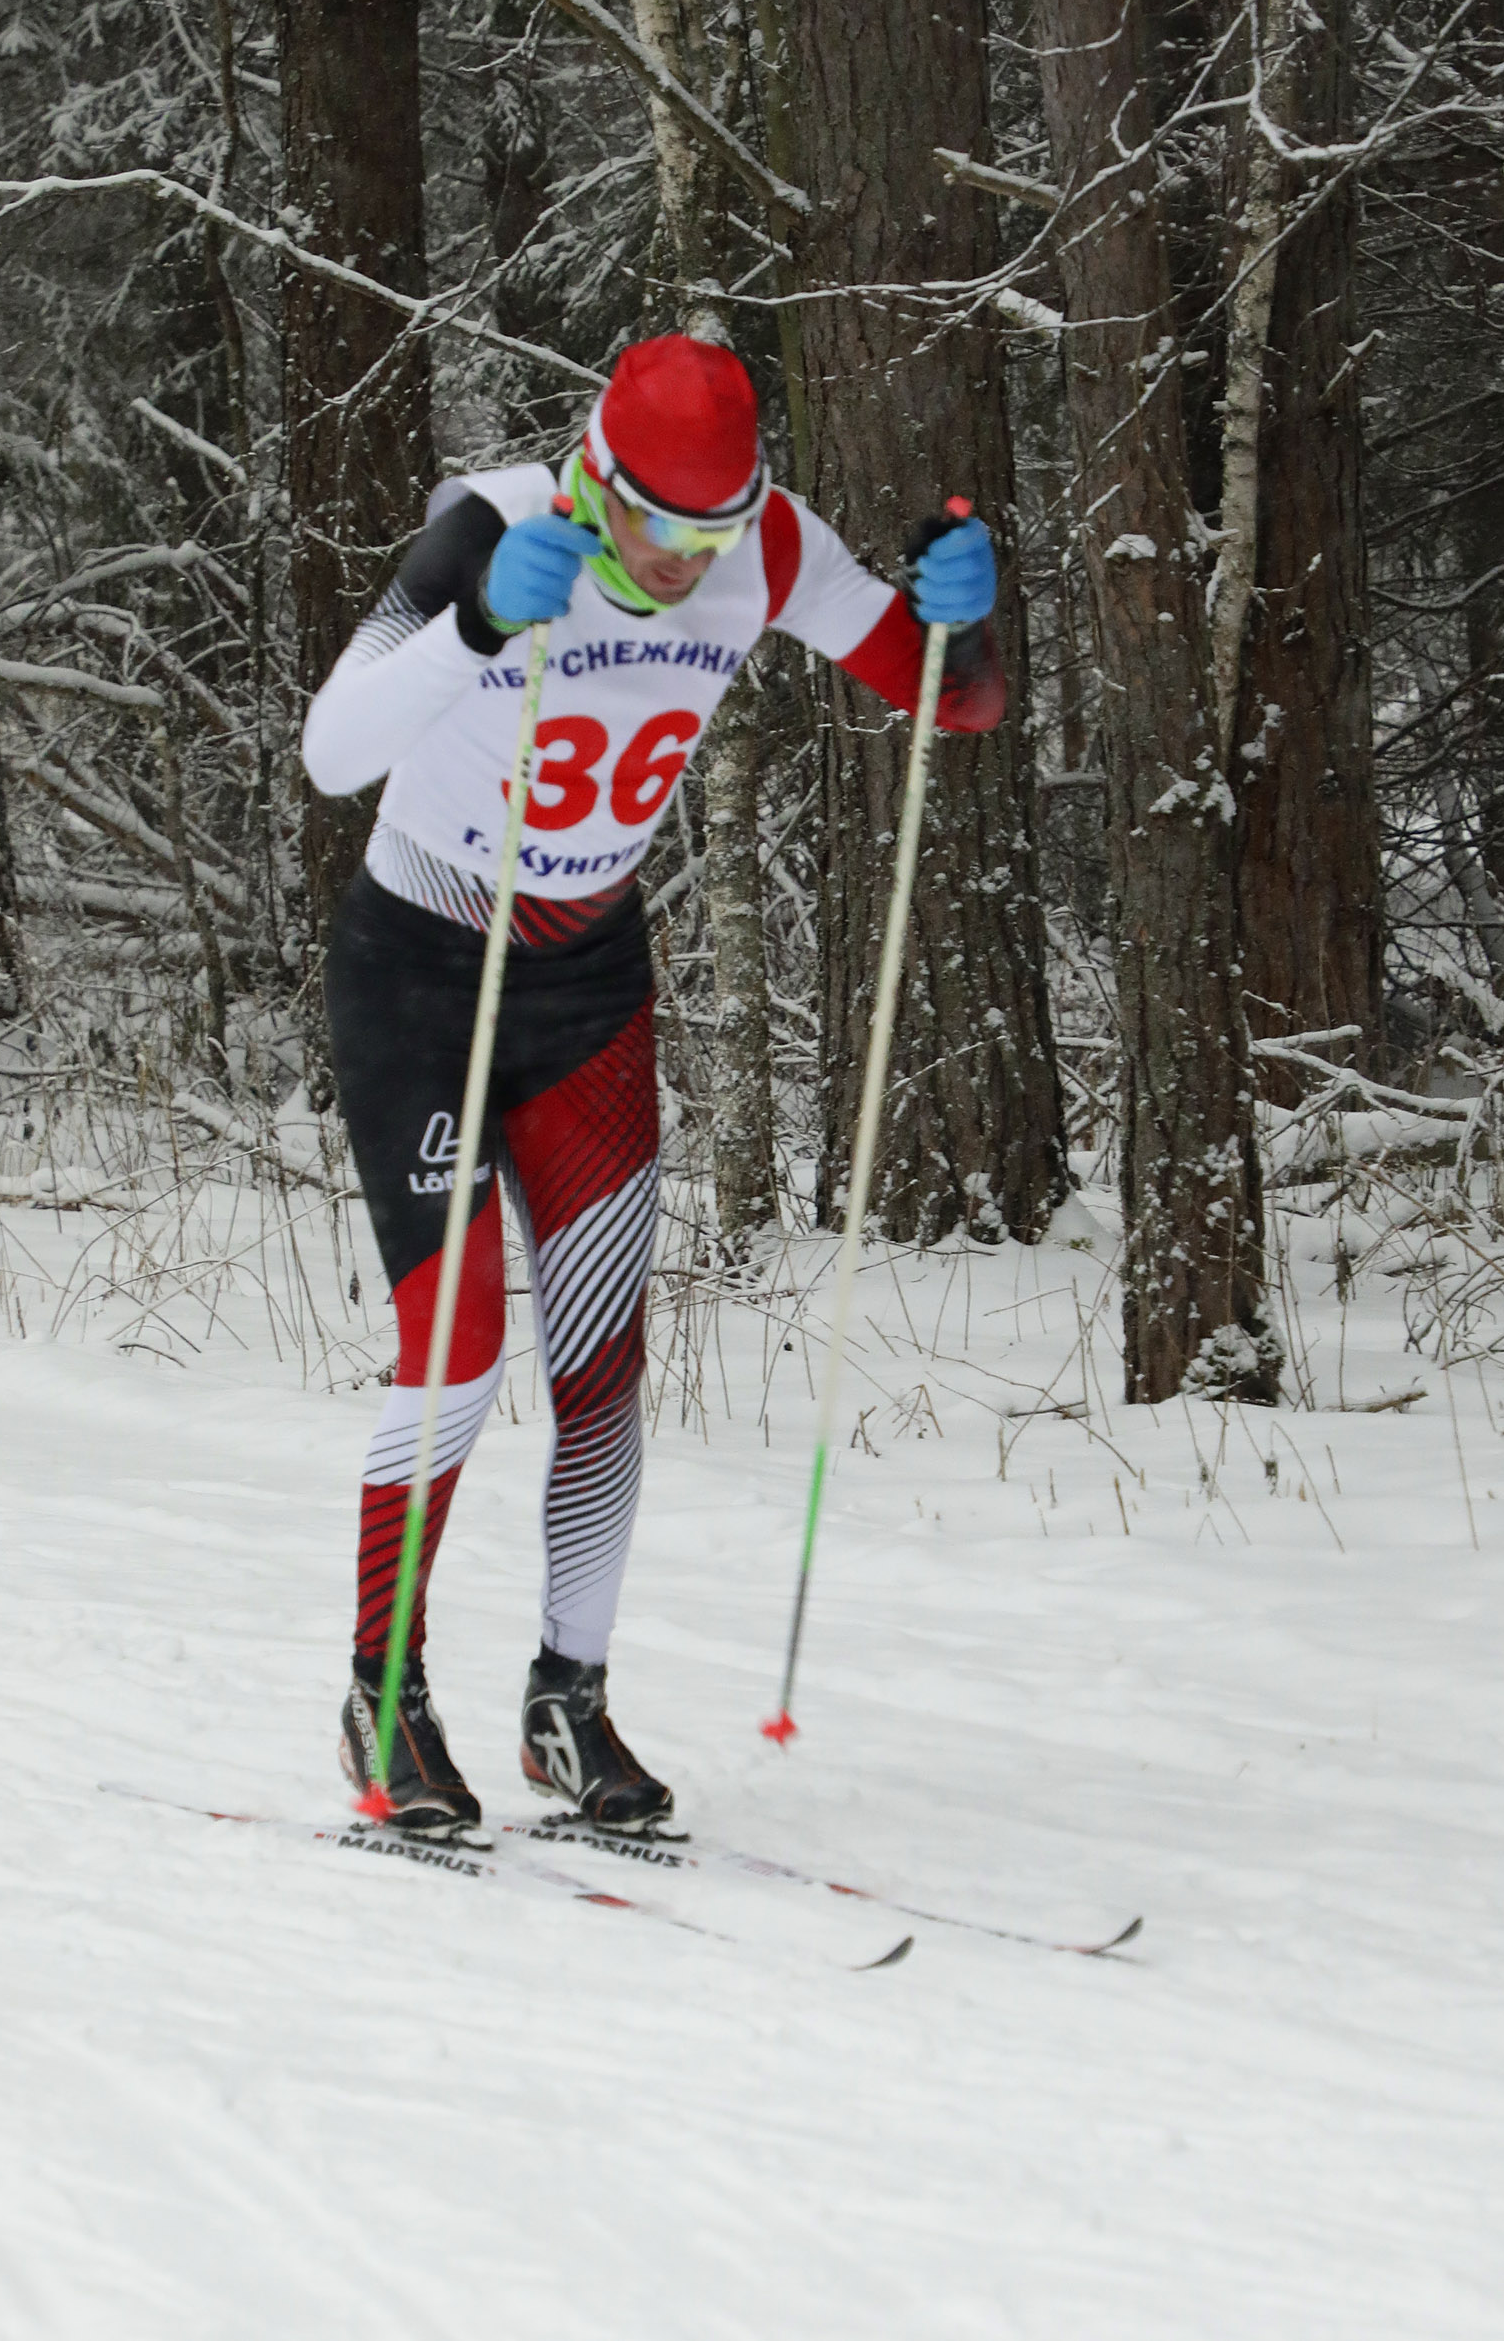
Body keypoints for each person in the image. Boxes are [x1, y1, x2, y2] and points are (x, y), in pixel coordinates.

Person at [302, 333, 1003, 1839]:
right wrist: (479, 628)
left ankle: (570, 1697)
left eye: (711, 531)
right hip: (426, 971)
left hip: (587, 983)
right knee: (459, 1345)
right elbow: (330, 749)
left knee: (604, 1363)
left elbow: (959, 701)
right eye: (652, 529)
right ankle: (385, 1693)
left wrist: (968, 616)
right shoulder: (491, 527)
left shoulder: (767, 545)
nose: (684, 564)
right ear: (595, 481)